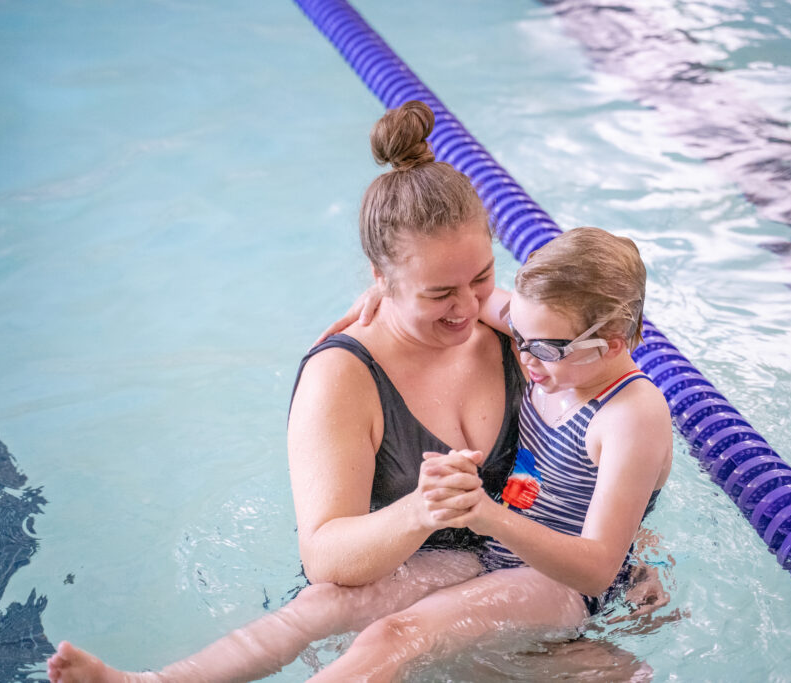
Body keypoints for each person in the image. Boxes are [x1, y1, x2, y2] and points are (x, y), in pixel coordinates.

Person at [47, 100, 529, 683]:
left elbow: (609, 379)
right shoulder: (344, 375)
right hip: (398, 591)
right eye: (438, 293)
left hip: (521, 580)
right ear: (381, 281)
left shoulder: (522, 338)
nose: (466, 307)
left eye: (482, 276)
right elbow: (325, 557)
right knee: (324, 610)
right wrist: (421, 511)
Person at [303, 226, 673, 682]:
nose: (525, 359)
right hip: (500, 558)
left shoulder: (631, 415)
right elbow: (476, 301)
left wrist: (487, 516)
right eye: (517, 335)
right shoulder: (553, 345)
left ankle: (592, 664)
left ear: (611, 344)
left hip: (564, 583)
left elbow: (597, 569)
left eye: (543, 348)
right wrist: (389, 291)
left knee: (396, 639)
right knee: (327, 610)